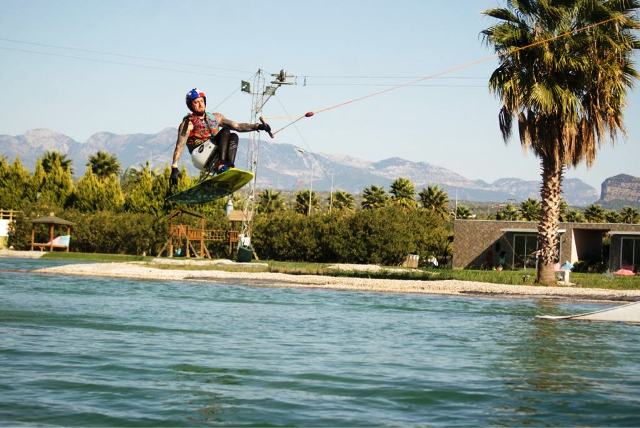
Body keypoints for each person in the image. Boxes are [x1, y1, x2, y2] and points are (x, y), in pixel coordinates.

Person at [170, 88, 271, 186]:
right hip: (199, 155)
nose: (201, 104)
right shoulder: (187, 123)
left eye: (202, 101)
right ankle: (221, 166)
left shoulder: (216, 117)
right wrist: (174, 167)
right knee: (225, 131)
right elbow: (179, 145)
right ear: (191, 106)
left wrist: (258, 126)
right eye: (196, 102)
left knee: (234, 136)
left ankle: (228, 168)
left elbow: (238, 126)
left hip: (213, 155)